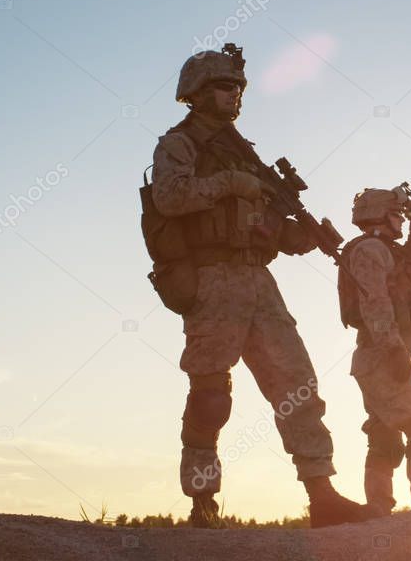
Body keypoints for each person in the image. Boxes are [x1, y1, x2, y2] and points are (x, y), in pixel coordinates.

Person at [149, 45, 366, 528]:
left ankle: (322, 495)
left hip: (258, 279)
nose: (236, 95)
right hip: (212, 279)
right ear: (199, 93)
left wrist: (300, 236)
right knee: (211, 395)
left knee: (297, 385)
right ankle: (203, 502)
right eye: (226, 86)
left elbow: (267, 227)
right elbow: (170, 197)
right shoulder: (179, 144)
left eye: (239, 87)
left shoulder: (242, 149)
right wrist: (232, 183)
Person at [337, 188, 411, 515]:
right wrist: (394, 349)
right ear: (381, 214)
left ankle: (379, 509)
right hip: (383, 353)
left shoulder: (384, 250)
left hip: (380, 353)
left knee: (384, 435)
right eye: (397, 213)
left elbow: (396, 301)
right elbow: (375, 302)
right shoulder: (370, 249)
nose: (401, 219)